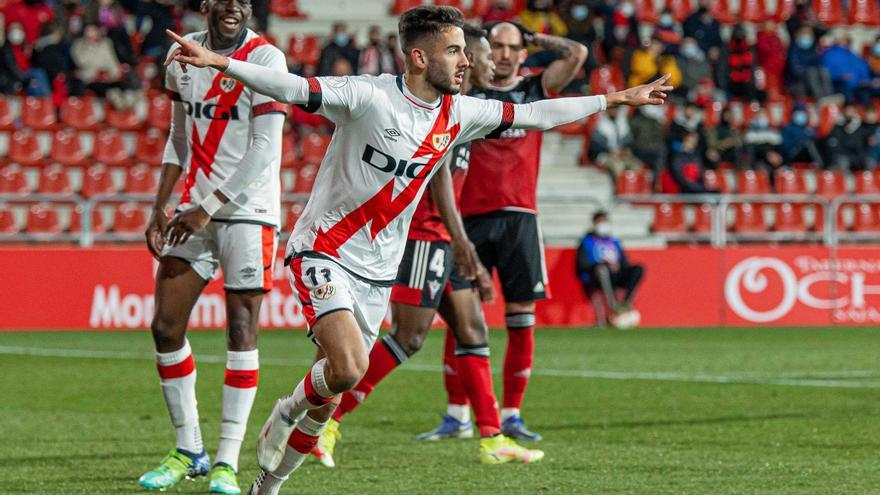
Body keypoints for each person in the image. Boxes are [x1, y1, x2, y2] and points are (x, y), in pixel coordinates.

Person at [162, 6, 672, 493]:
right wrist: (223, 63)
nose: (468, 60)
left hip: (378, 271)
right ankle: (286, 408)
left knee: (330, 395)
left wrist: (616, 98)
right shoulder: (367, 96)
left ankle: (267, 484)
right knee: (346, 369)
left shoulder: (460, 112)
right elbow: (294, 87)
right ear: (420, 58)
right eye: (454, 51)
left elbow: (536, 113)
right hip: (324, 250)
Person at [310, 24, 543, 469]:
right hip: (424, 235)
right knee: (408, 337)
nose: (484, 63)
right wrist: (462, 241)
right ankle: (330, 421)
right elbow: (437, 177)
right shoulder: (440, 108)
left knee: (473, 333)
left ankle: (493, 437)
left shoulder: (462, 110)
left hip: (446, 238)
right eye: (479, 54)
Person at [137, 0, 288, 492]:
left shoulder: (266, 60)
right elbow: (179, 137)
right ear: (206, 4)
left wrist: (209, 205)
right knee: (165, 326)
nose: (233, 7)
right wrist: (161, 204)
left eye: (243, 1)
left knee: (241, 329)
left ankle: (226, 459)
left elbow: (265, 149)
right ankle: (190, 449)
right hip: (191, 209)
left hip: (248, 208)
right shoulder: (181, 54)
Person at [444, 20, 587, 442]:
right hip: (467, 219)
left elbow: (576, 54)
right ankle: (457, 415)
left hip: (520, 215)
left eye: (512, 47)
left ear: (523, 53)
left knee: (521, 318)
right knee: (459, 320)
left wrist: (533, 38)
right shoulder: (469, 90)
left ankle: (511, 415)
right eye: (497, 47)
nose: (504, 54)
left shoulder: (535, 91)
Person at [576, 211, 644, 319]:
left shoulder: (614, 241)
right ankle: (613, 306)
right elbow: (582, 265)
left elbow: (624, 263)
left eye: (605, 221)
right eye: (600, 221)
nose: (603, 225)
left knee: (638, 269)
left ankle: (626, 302)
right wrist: (603, 264)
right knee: (602, 270)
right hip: (596, 278)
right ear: (594, 223)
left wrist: (617, 265)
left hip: (615, 276)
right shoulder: (587, 242)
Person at [590, 105, 642, 177]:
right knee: (618, 167)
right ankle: (620, 188)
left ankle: (634, 188)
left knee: (637, 165)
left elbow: (629, 142)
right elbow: (595, 147)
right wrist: (610, 151)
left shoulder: (622, 122)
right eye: (612, 109)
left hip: (622, 154)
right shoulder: (601, 124)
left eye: (616, 109)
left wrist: (627, 149)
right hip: (606, 155)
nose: (614, 111)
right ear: (607, 110)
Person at [821, 33, 871, 104]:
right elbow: (826, 73)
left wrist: (865, 79)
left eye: (847, 39)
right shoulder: (829, 54)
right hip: (839, 84)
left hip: (856, 85)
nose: (845, 41)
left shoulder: (853, 55)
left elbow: (862, 68)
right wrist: (840, 76)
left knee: (865, 96)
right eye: (843, 39)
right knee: (848, 96)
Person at [785, 26, 832, 99]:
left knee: (823, 70)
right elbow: (794, 69)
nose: (807, 36)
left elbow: (818, 62)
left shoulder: (813, 48)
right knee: (811, 72)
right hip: (798, 79)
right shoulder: (794, 50)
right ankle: (819, 96)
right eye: (805, 33)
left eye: (809, 34)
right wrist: (806, 71)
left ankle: (828, 95)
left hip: (813, 74)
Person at [744, 108, 784, 174]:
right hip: (758, 160)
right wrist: (767, 153)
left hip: (773, 159)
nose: (761, 118)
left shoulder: (773, 131)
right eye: (758, 116)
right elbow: (751, 145)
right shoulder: (750, 131)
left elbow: (778, 144)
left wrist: (777, 156)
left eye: (763, 115)